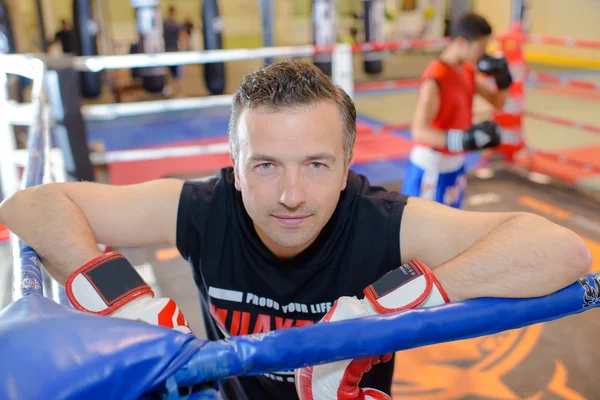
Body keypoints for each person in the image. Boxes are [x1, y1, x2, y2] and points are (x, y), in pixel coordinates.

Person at [0, 59, 590, 400]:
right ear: (235, 169)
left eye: (315, 164)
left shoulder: (382, 222)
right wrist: (121, 304)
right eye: (265, 166)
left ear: (346, 168)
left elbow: (558, 249)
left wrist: (378, 311)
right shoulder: (207, 207)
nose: (289, 195)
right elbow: (33, 204)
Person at [402, 12, 513, 208]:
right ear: (462, 42)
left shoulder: (467, 70)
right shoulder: (435, 78)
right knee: (424, 232)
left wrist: (503, 77)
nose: (484, 53)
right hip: (431, 167)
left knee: (450, 227)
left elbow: (498, 101)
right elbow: (419, 131)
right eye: (481, 47)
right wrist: (464, 139)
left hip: (456, 163)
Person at [162, 6, 185, 96]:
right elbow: (181, 36)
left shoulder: (164, 24)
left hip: (166, 51)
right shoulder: (176, 24)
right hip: (175, 51)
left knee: (167, 71)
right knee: (178, 74)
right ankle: (180, 92)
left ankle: (166, 90)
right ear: (173, 13)